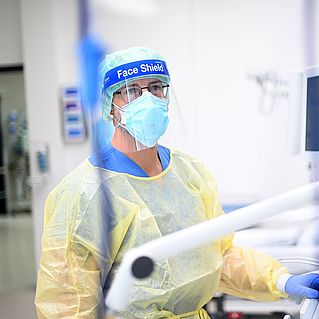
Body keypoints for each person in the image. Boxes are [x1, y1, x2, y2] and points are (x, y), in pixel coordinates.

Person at [35, 47, 319, 319]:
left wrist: (281, 281)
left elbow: (220, 256)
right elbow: (68, 304)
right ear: (110, 105)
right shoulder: (85, 193)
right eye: (132, 90)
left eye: (157, 87)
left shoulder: (190, 173)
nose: (148, 99)